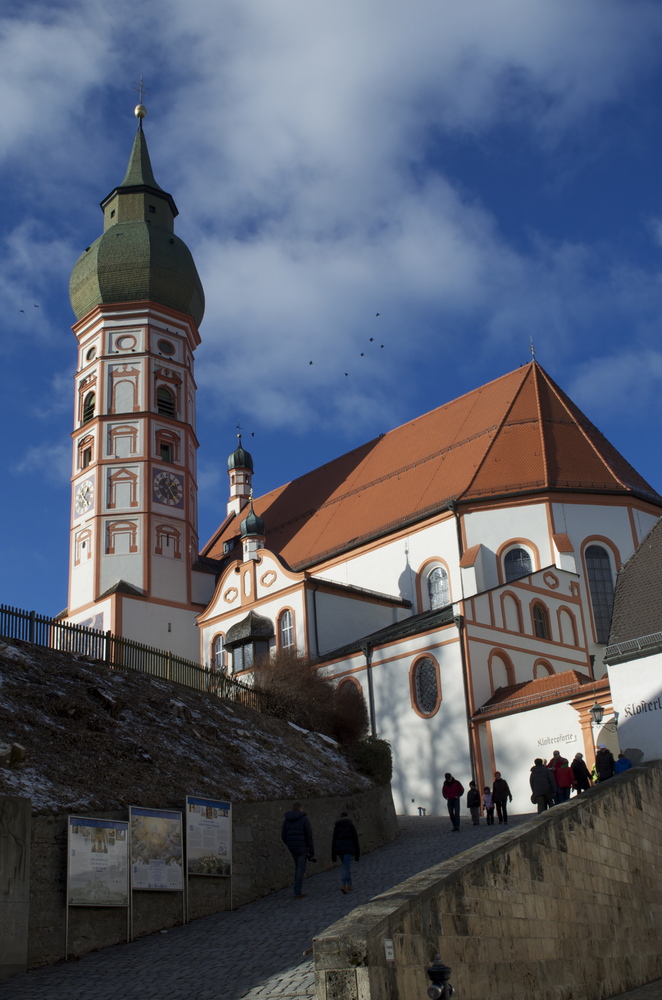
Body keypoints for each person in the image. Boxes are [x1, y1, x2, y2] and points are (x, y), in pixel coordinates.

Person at [281, 801, 314, 899]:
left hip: (292, 848)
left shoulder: (286, 820)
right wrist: (311, 851)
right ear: (300, 809)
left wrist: (290, 844)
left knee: (298, 868)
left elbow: (283, 835)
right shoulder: (304, 819)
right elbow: (309, 836)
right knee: (300, 869)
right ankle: (297, 891)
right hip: (302, 848)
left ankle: (297, 890)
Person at [331, 811, 360, 893]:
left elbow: (333, 841)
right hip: (348, 848)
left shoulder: (337, 827)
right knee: (346, 866)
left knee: (345, 865)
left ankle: (350, 884)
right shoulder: (351, 826)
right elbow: (356, 840)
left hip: (339, 849)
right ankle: (343, 884)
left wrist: (333, 854)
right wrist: (357, 854)